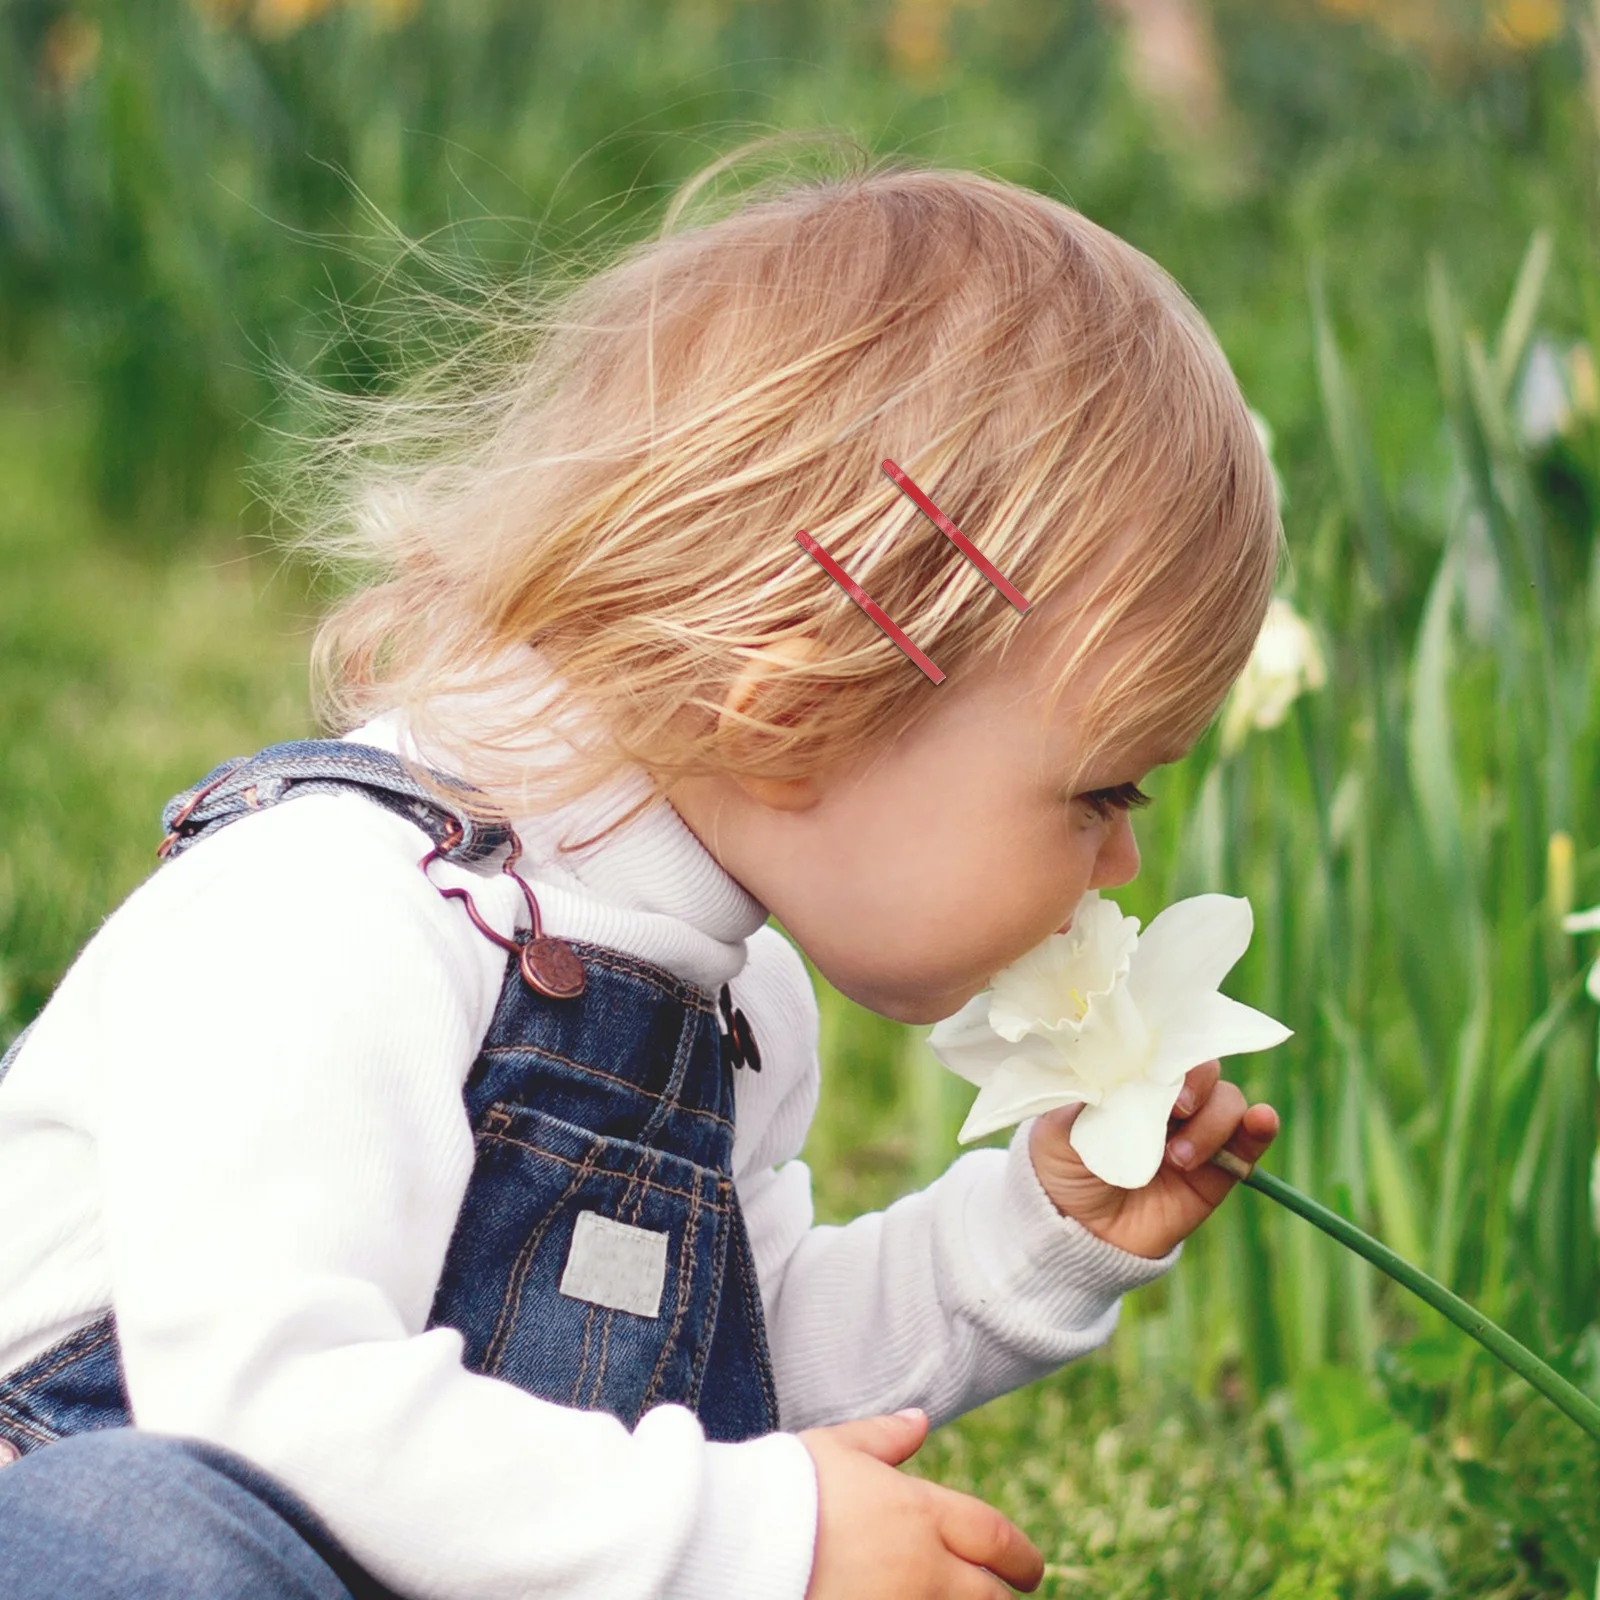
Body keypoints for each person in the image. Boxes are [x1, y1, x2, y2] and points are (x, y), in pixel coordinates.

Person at [0, 142, 1285, 1599]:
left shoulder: (732, 1009)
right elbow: (268, 1412)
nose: (1124, 856)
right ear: (796, 716)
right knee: (142, 1534)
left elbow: (711, 1378)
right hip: (98, 1521)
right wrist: (757, 1540)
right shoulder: (338, 914)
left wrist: (1035, 1239)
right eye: (1099, 793)